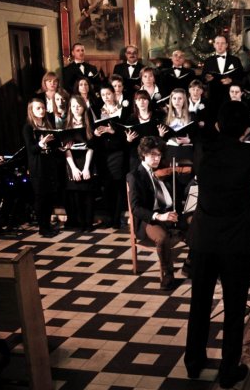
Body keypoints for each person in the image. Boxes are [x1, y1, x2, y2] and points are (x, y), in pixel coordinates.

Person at [185, 100, 250, 388]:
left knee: (199, 303)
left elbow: (207, 133)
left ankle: (193, 363)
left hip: (204, 238)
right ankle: (228, 370)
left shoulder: (203, 150)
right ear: (245, 130)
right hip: (235, 242)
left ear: (219, 125)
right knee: (234, 308)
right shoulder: (249, 154)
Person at [127, 136, 182, 292]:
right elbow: (136, 208)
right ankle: (167, 274)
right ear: (143, 154)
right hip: (149, 219)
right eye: (153, 155)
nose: (157, 158)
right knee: (162, 237)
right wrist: (159, 216)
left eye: (159, 155)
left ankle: (191, 265)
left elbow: (178, 193)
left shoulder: (164, 171)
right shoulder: (135, 176)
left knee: (197, 223)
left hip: (169, 213)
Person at [23, 98, 62, 237]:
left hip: (49, 165)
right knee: (41, 197)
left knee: (50, 197)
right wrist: (41, 143)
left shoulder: (48, 124)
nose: (41, 110)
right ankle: (43, 228)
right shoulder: (28, 127)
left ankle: (48, 225)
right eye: (38, 108)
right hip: (38, 166)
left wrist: (60, 146)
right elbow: (31, 149)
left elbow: (54, 145)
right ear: (31, 110)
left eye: (43, 108)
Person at [93, 83, 127, 228]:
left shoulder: (122, 110)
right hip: (103, 153)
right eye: (103, 95)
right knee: (107, 187)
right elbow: (93, 130)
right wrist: (96, 133)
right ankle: (110, 217)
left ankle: (117, 219)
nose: (106, 97)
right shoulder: (98, 110)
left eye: (108, 94)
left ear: (113, 93)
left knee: (118, 185)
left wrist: (113, 131)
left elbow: (126, 132)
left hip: (118, 152)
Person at [63, 95, 96, 232]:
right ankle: (80, 223)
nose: (76, 108)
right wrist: (74, 168)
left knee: (88, 194)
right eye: (73, 106)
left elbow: (91, 147)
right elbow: (66, 150)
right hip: (72, 162)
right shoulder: (66, 125)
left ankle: (89, 224)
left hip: (87, 161)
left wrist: (86, 167)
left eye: (78, 105)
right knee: (76, 194)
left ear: (83, 107)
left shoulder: (89, 123)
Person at [203, 35, 244, 109]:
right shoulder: (208, 61)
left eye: (222, 43)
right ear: (214, 45)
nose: (220, 45)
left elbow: (241, 77)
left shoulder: (235, 60)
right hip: (213, 97)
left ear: (226, 45)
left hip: (231, 96)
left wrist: (231, 80)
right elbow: (202, 78)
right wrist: (206, 78)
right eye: (217, 43)